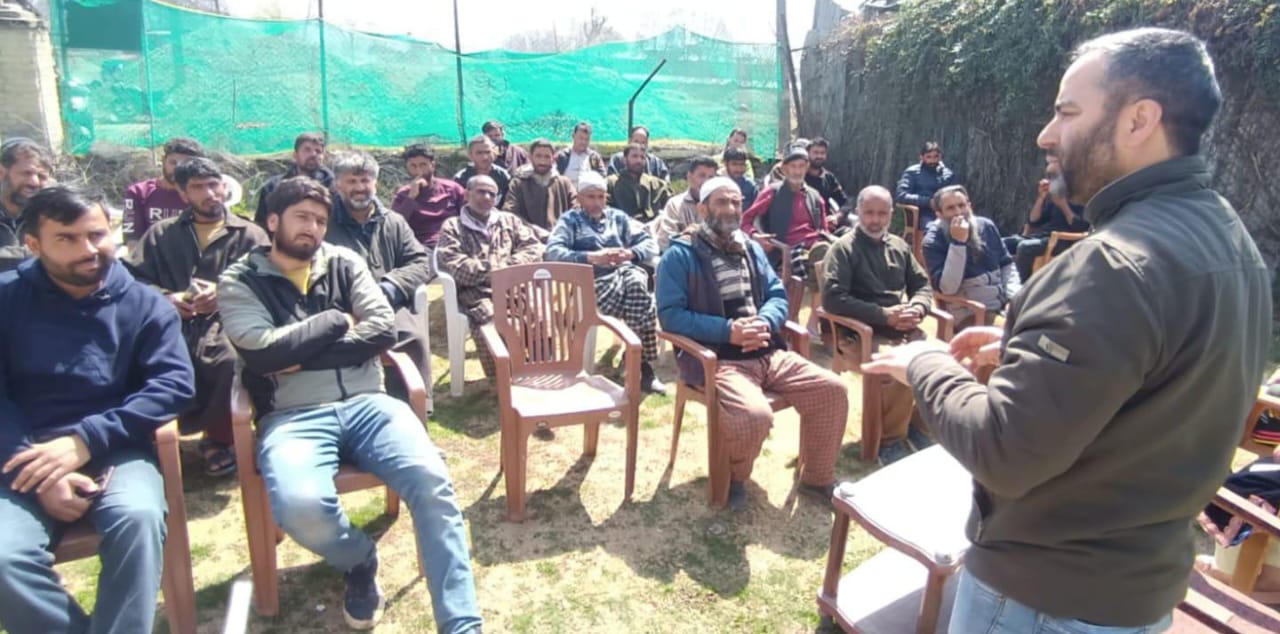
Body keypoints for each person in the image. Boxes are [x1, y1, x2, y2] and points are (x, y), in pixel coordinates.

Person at [862, 28, 1271, 633]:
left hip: (1040, 603)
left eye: (1067, 112)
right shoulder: (1231, 240)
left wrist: (925, 363)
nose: (1046, 134)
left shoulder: (1112, 264)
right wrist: (1027, 351)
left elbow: (1003, 451)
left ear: (1139, 120)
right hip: (1137, 594)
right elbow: (1162, 372)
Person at [218, 176, 482, 633]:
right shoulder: (240, 280)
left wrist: (296, 353)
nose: (313, 229)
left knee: (433, 483)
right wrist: (337, 320)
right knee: (300, 506)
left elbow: (382, 331)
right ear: (273, 220)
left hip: (370, 404)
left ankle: (462, 624)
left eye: (321, 220)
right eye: (303, 217)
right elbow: (262, 355)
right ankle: (358, 558)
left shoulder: (344, 262)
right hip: (293, 417)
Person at [0, 186, 195, 634]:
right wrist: (39, 468)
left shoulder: (144, 304)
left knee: (138, 518)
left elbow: (173, 385)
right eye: (67, 239)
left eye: (97, 235)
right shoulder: (7, 299)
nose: (88, 250)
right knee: (5, 558)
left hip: (115, 448)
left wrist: (86, 440)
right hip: (19, 454)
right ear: (33, 244)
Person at [656, 176, 848, 509]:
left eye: (736, 203)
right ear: (702, 209)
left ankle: (818, 477)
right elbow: (671, 316)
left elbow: (776, 294)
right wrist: (728, 331)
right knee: (753, 416)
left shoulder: (750, 246)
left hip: (768, 352)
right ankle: (734, 476)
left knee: (832, 390)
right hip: (718, 359)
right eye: (721, 202)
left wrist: (764, 322)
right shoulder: (681, 255)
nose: (730, 209)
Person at [126, 157, 269, 477]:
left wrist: (223, 292)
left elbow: (270, 280)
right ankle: (152, 438)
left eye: (214, 184)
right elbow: (133, 279)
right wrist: (165, 298)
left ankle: (219, 439)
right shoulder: (160, 234)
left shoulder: (249, 234)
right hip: (169, 321)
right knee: (147, 359)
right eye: (198, 187)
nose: (209, 193)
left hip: (227, 318)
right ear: (182, 193)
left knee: (230, 359)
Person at [820, 186, 933, 465]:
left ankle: (917, 426)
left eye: (882, 213)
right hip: (860, 334)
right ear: (858, 212)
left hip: (901, 328)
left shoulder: (899, 246)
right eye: (869, 212)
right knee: (899, 368)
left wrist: (917, 308)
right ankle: (889, 440)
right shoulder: (844, 248)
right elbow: (833, 299)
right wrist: (884, 315)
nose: (875, 219)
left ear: (891, 215)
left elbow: (922, 285)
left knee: (937, 362)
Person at [546, 171, 665, 394]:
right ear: (579, 198)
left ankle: (635, 361)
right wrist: (591, 257)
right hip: (590, 280)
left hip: (623, 272)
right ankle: (640, 365)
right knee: (643, 300)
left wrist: (629, 253)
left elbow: (650, 244)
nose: (597, 202)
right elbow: (552, 252)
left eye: (601, 197)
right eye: (591, 197)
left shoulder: (618, 217)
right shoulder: (570, 221)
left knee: (637, 282)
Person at [325, 151, 434, 389]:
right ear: (337, 184)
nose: (359, 188)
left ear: (375, 183)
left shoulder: (393, 221)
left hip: (388, 304)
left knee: (411, 337)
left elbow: (419, 262)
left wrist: (389, 287)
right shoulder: (324, 223)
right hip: (340, 307)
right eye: (351, 181)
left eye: (365, 180)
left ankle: (414, 407)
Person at [436, 175, 545, 378]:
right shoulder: (453, 226)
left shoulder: (509, 221)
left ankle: (543, 372)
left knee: (542, 317)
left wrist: (509, 267)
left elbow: (534, 248)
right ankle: (506, 379)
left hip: (516, 286)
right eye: (481, 191)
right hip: (477, 293)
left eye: (492, 194)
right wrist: (498, 270)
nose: (486, 197)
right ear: (467, 194)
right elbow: (456, 266)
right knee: (499, 324)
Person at [921, 185, 1019, 324]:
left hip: (1002, 305)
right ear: (939, 214)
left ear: (969, 205)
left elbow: (1006, 265)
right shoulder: (933, 241)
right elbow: (947, 289)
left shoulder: (986, 226)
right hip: (970, 311)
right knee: (1016, 336)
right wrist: (958, 244)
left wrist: (1012, 299)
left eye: (961, 205)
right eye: (950, 208)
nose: (958, 212)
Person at [741, 147, 830, 280]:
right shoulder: (772, 192)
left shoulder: (815, 196)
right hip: (787, 249)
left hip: (816, 244)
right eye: (793, 166)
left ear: (807, 168)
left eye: (801, 166)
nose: (797, 171)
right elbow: (744, 221)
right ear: (784, 169)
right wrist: (755, 236)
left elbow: (824, 229)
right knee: (817, 259)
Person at [1003, 177, 1091, 281]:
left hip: (1066, 242)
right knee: (1004, 243)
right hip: (1045, 238)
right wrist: (1041, 198)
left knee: (1024, 247)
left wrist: (1063, 205)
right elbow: (1034, 221)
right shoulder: (1057, 199)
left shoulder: (1083, 200)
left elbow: (1080, 227)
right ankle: (999, 282)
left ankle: (1023, 286)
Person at [123, 137, 205, 249]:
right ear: (163, 160)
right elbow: (133, 239)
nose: (177, 169)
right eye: (173, 163)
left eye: (185, 164)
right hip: (149, 259)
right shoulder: (138, 192)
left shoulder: (201, 194)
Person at [390, 143, 466, 250]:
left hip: (455, 242)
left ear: (433, 165)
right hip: (422, 247)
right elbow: (394, 226)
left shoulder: (453, 189)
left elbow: (469, 215)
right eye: (413, 166)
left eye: (423, 165)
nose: (418, 171)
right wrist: (411, 198)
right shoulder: (403, 194)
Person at [254, 132, 333, 229]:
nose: (313, 154)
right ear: (295, 155)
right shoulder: (273, 187)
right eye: (307, 150)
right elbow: (261, 225)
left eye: (318, 151)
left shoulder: (332, 187)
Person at [503, 138, 576, 238]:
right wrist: (532, 229)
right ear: (530, 157)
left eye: (547, 157)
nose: (542, 161)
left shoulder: (564, 183)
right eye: (538, 156)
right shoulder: (518, 183)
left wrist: (562, 229)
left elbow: (576, 208)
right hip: (527, 237)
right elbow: (510, 212)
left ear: (553, 159)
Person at [0, 138, 53, 271]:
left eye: (42, 176)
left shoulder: (56, 214)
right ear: (1, 173)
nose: (34, 182)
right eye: (26, 173)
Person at [652, 155, 718, 252]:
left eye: (711, 177)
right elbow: (665, 241)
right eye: (701, 175)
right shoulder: (675, 204)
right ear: (689, 177)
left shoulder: (720, 206)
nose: (706, 181)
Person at [895, 141, 957, 227]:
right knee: (933, 227)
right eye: (929, 157)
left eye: (935, 156)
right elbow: (901, 195)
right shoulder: (912, 172)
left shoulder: (948, 174)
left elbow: (956, 195)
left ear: (940, 157)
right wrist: (927, 202)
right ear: (922, 157)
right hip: (923, 213)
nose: (932, 160)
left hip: (947, 212)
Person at [606, 143, 671, 223]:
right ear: (625, 160)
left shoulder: (657, 185)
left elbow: (671, 207)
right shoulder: (610, 183)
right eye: (634, 156)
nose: (639, 161)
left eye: (642, 157)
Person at [454, 135, 512, 210]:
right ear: (470, 155)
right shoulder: (461, 178)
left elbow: (509, 202)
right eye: (479, 153)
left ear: (494, 153)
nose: (485, 157)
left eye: (488, 152)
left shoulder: (503, 175)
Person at [804, 137, 849, 218]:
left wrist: (837, 217)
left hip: (826, 224)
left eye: (822, 153)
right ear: (807, 153)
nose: (819, 156)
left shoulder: (829, 178)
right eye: (815, 152)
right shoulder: (799, 176)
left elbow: (845, 203)